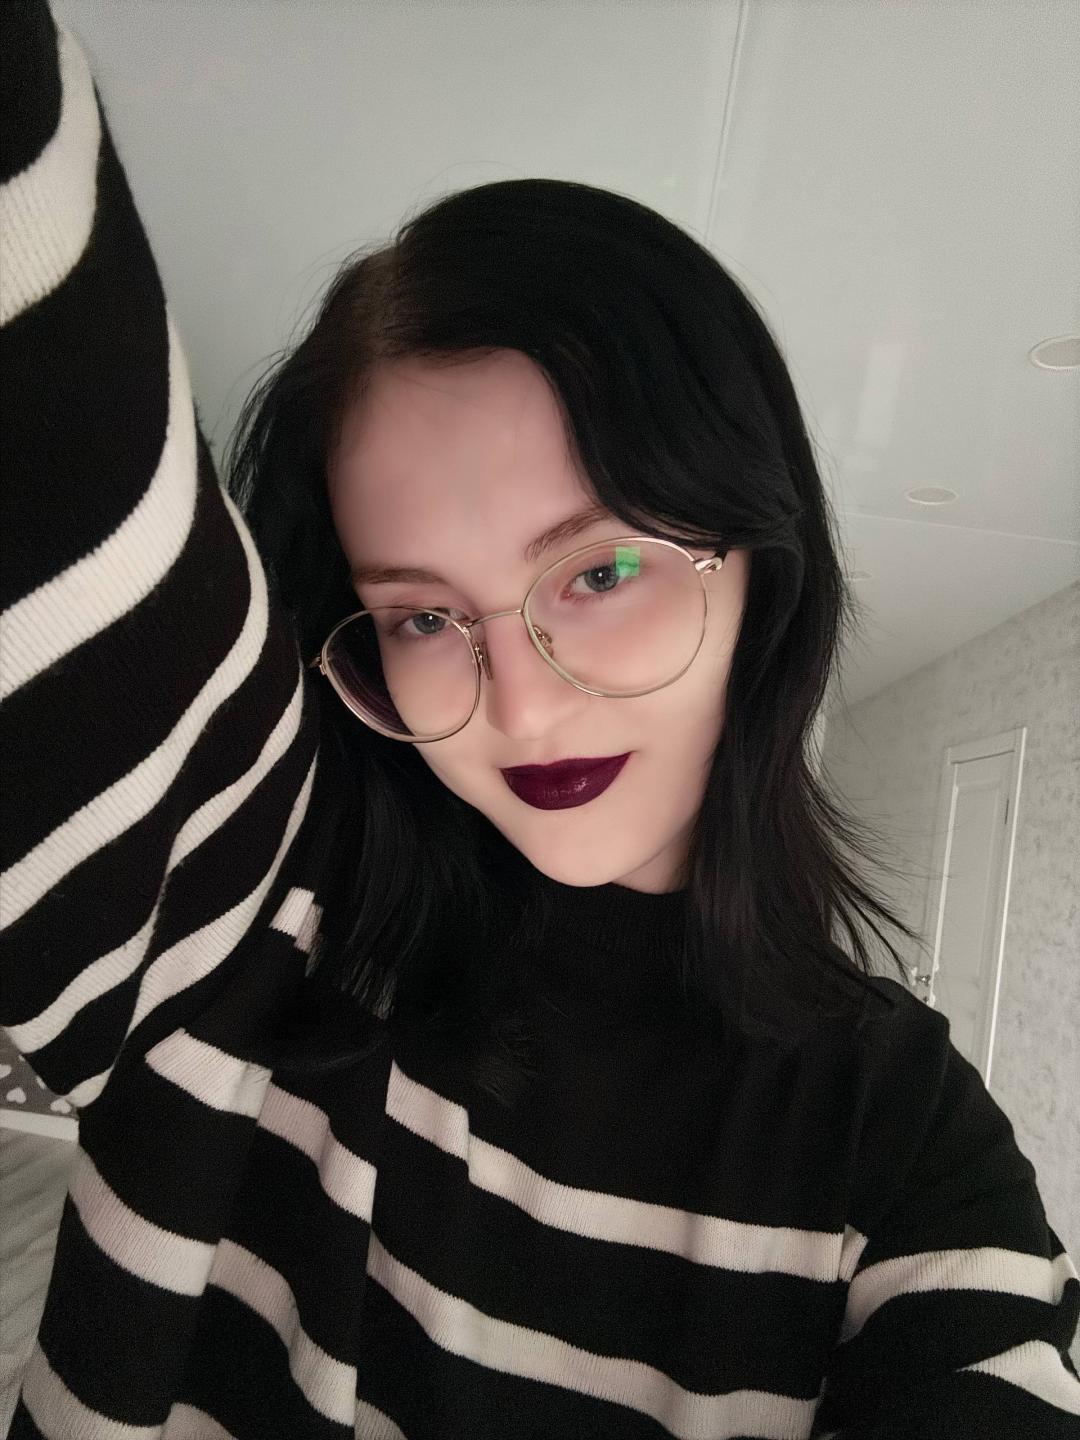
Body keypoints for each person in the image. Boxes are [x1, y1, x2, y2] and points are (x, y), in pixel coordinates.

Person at [2, 2, 1078, 1436]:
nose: (517, 705)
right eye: (419, 616)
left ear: (762, 573)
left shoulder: (901, 1137)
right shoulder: (262, 912)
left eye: (601, 572)